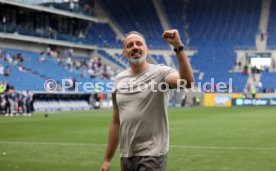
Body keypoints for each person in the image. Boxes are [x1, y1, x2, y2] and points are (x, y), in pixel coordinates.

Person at [100, 29, 194, 171]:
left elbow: (187, 82)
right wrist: (107, 159)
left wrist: (178, 47)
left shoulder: (161, 73)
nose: (135, 47)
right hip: (127, 155)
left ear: (146, 49)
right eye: (130, 45)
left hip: (153, 154)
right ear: (124, 53)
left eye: (139, 44)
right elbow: (116, 121)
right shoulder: (119, 80)